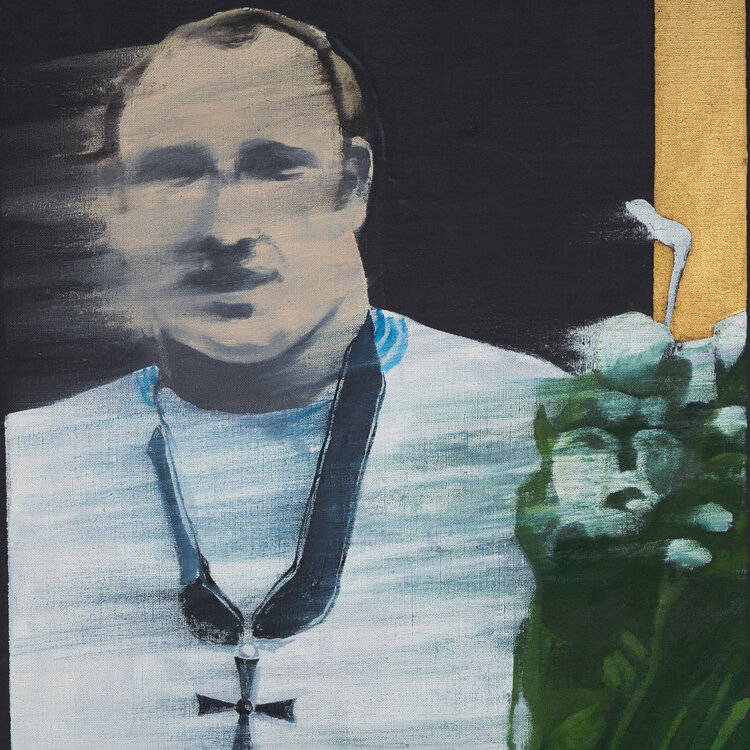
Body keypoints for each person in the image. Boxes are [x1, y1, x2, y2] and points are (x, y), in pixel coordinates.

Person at [6, 8, 569, 749]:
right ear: (117, 201)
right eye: (175, 171)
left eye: (274, 166)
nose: (225, 228)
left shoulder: (536, 427)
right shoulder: (27, 465)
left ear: (351, 184)